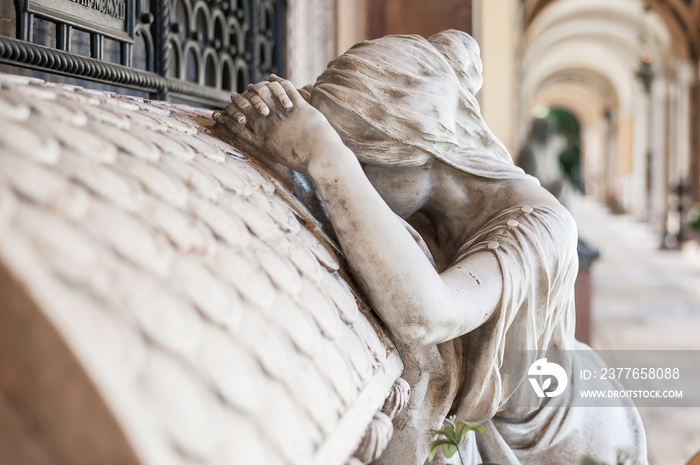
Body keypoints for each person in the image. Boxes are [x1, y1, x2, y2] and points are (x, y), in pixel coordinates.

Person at [213, 30, 647, 465]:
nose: (355, 185)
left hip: (549, 440)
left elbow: (427, 315)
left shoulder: (543, 228)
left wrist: (327, 156)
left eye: (363, 166)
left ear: (412, 154)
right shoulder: (422, 202)